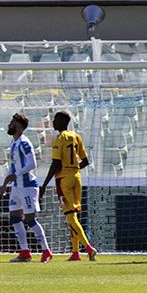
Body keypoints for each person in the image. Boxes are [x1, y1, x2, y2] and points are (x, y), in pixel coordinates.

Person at [41, 111, 98, 262]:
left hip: (64, 180)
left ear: (61, 122)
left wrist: (44, 184)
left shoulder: (59, 138)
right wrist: (74, 168)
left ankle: (88, 248)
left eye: (55, 120)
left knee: (70, 217)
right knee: (74, 216)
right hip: (77, 178)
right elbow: (85, 161)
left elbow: (56, 163)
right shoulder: (75, 136)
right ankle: (75, 253)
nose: (53, 122)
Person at [0, 114, 52, 263]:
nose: (10, 125)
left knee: (30, 219)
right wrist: (5, 183)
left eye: (12, 123)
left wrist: (15, 175)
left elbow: (32, 164)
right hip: (16, 187)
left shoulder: (24, 143)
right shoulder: (13, 143)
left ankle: (46, 251)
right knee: (15, 218)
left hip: (28, 187)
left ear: (19, 126)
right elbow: (13, 165)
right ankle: (24, 252)